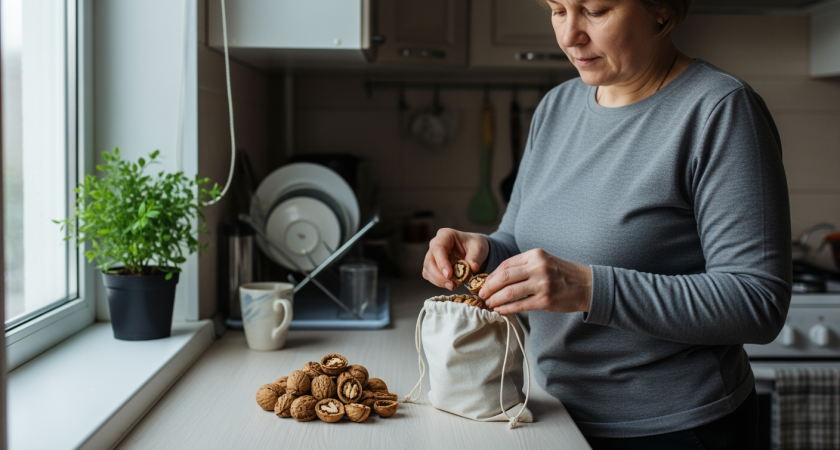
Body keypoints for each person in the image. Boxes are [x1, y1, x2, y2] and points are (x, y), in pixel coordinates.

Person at [422, 0, 791, 448]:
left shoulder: (721, 111)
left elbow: (757, 301)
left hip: (678, 430)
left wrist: (588, 289)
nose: (568, 34)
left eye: (594, 10)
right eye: (558, 9)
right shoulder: (556, 107)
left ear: (660, 9)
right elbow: (517, 240)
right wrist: (479, 248)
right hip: (555, 414)